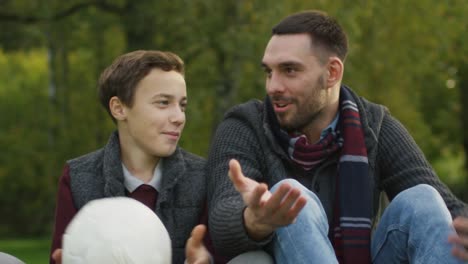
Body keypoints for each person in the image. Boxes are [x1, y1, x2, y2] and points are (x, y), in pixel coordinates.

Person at [206, 10, 468, 263]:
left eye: (289, 70)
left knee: (423, 199)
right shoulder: (243, 125)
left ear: (332, 72)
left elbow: (447, 211)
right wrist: (255, 220)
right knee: (293, 197)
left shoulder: (375, 126)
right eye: (269, 71)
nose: (273, 86)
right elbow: (221, 218)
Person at [50, 50, 211, 264]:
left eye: (182, 105)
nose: (179, 117)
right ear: (119, 108)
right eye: (163, 102)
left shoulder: (204, 177)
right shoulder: (78, 177)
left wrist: (207, 259)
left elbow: (216, 253)